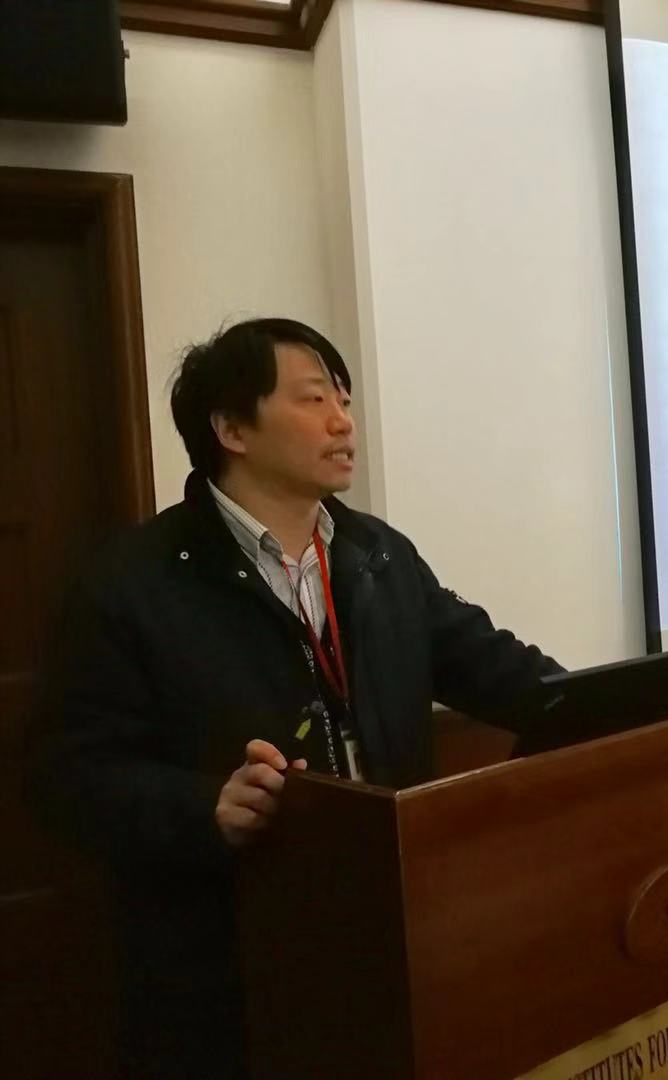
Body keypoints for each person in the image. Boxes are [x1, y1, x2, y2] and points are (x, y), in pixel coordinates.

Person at [25, 317, 561, 1079]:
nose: (343, 422)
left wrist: (607, 704)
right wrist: (206, 806)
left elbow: (493, 666)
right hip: (229, 967)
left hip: (387, 935)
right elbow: (65, 777)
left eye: (343, 399)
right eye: (314, 399)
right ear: (232, 429)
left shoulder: (377, 554)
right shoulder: (134, 581)